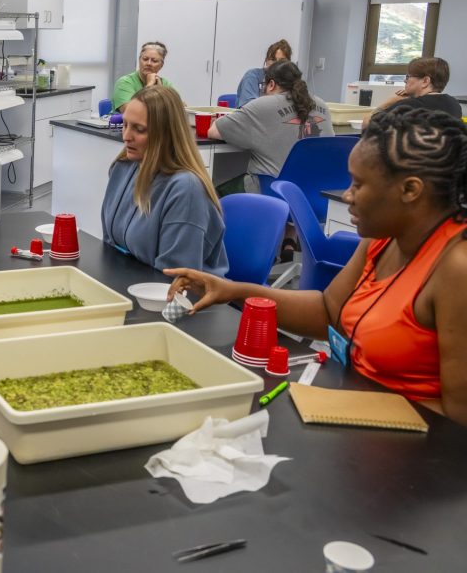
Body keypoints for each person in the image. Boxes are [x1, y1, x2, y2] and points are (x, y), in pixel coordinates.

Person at [166, 107, 467, 425]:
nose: (347, 196)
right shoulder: (383, 238)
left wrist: (364, 410)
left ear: (410, 190)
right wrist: (232, 291)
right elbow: (329, 310)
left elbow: (458, 420)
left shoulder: (456, 269)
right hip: (361, 422)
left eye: (358, 185)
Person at [101, 84, 228, 276]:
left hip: (182, 297)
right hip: (135, 283)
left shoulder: (186, 189)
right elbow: (111, 244)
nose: (126, 136)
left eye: (139, 129)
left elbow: (174, 278)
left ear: (166, 134)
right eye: (125, 125)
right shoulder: (123, 167)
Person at [209, 59, 334, 191]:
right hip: (316, 190)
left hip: (271, 189)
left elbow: (214, 131)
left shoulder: (262, 106)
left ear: (271, 84)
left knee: (212, 193)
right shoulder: (322, 105)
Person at [371, 56, 461, 120]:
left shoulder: (408, 106)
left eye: (408, 77)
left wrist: (391, 101)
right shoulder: (454, 104)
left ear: (425, 81)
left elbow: (368, 124)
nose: (405, 81)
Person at [112, 41, 174, 113]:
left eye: (154, 61)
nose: (148, 63)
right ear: (139, 60)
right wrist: (149, 86)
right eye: (145, 59)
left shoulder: (165, 84)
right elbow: (130, 112)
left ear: (161, 65)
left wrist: (160, 90)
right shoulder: (125, 82)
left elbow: (177, 108)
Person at [235, 38, 292, 107]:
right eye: (273, 59)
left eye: (281, 61)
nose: (277, 64)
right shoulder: (252, 76)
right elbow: (249, 110)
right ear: (266, 61)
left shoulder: (290, 81)